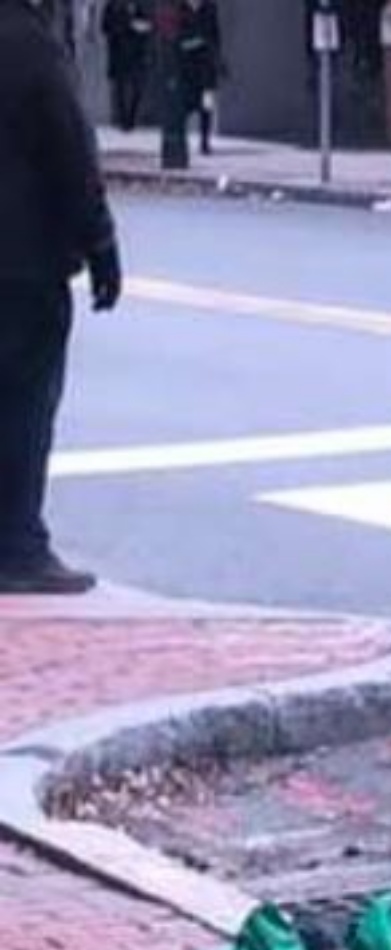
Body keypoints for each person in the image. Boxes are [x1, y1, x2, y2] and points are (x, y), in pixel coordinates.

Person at [0, 0, 122, 597]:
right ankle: (19, 546)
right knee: (23, 406)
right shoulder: (29, 44)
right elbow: (70, 153)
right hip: (20, 264)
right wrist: (100, 242)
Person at [177, 0, 221, 157]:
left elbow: (215, 35)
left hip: (206, 67)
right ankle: (179, 140)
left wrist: (218, 60)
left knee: (207, 106)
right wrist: (190, 43)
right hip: (187, 67)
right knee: (185, 106)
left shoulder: (210, 8)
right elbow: (176, 36)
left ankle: (205, 141)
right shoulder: (180, 8)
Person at [102, 0, 153, 133]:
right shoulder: (112, 5)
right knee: (120, 89)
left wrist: (143, 28)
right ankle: (124, 120)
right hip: (119, 52)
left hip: (137, 53)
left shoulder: (140, 5)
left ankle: (131, 118)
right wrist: (128, 26)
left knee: (138, 88)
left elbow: (149, 24)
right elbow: (105, 27)